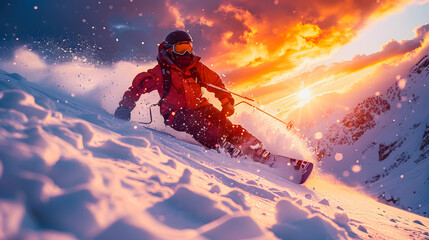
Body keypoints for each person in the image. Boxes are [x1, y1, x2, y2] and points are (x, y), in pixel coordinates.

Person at [114, 30, 274, 164]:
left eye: (188, 48)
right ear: (170, 50)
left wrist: (226, 102)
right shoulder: (162, 72)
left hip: (201, 106)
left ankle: (258, 151)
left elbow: (216, 83)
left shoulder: (196, 68)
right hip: (174, 113)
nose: (185, 53)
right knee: (197, 123)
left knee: (225, 125)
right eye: (180, 48)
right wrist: (125, 107)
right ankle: (223, 147)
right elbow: (138, 87)